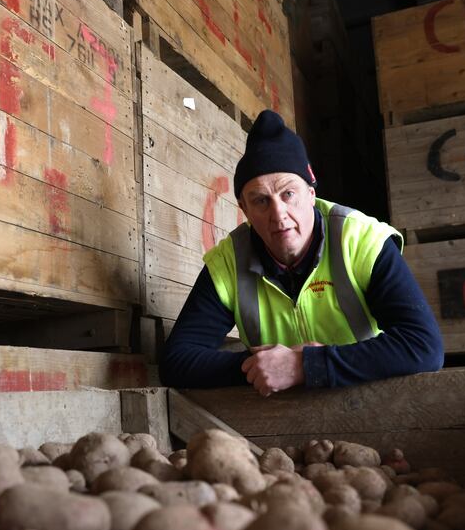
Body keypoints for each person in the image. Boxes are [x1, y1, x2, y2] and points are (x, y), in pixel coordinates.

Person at [159, 110, 444, 396]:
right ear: (244, 210)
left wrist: (304, 366)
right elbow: (176, 361)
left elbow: (424, 345)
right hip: (277, 424)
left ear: (311, 193)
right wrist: (264, 367)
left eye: (288, 194)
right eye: (260, 201)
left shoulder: (361, 240)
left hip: (367, 401)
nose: (278, 214)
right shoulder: (228, 263)